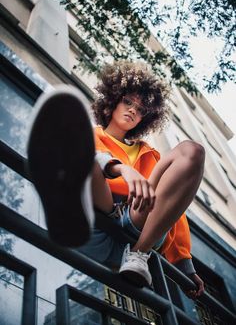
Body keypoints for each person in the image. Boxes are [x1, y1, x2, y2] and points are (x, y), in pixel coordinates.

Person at [27, 61, 205, 298]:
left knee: (191, 150)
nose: (133, 110)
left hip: (138, 226)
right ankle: (68, 213)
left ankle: (140, 254)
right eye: (128, 102)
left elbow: (175, 212)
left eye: (141, 110)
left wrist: (185, 265)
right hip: (98, 219)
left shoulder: (151, 154)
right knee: (76, 138)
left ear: (145, 118)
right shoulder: (90, 134)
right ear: (113, 102)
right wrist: (121, 169)